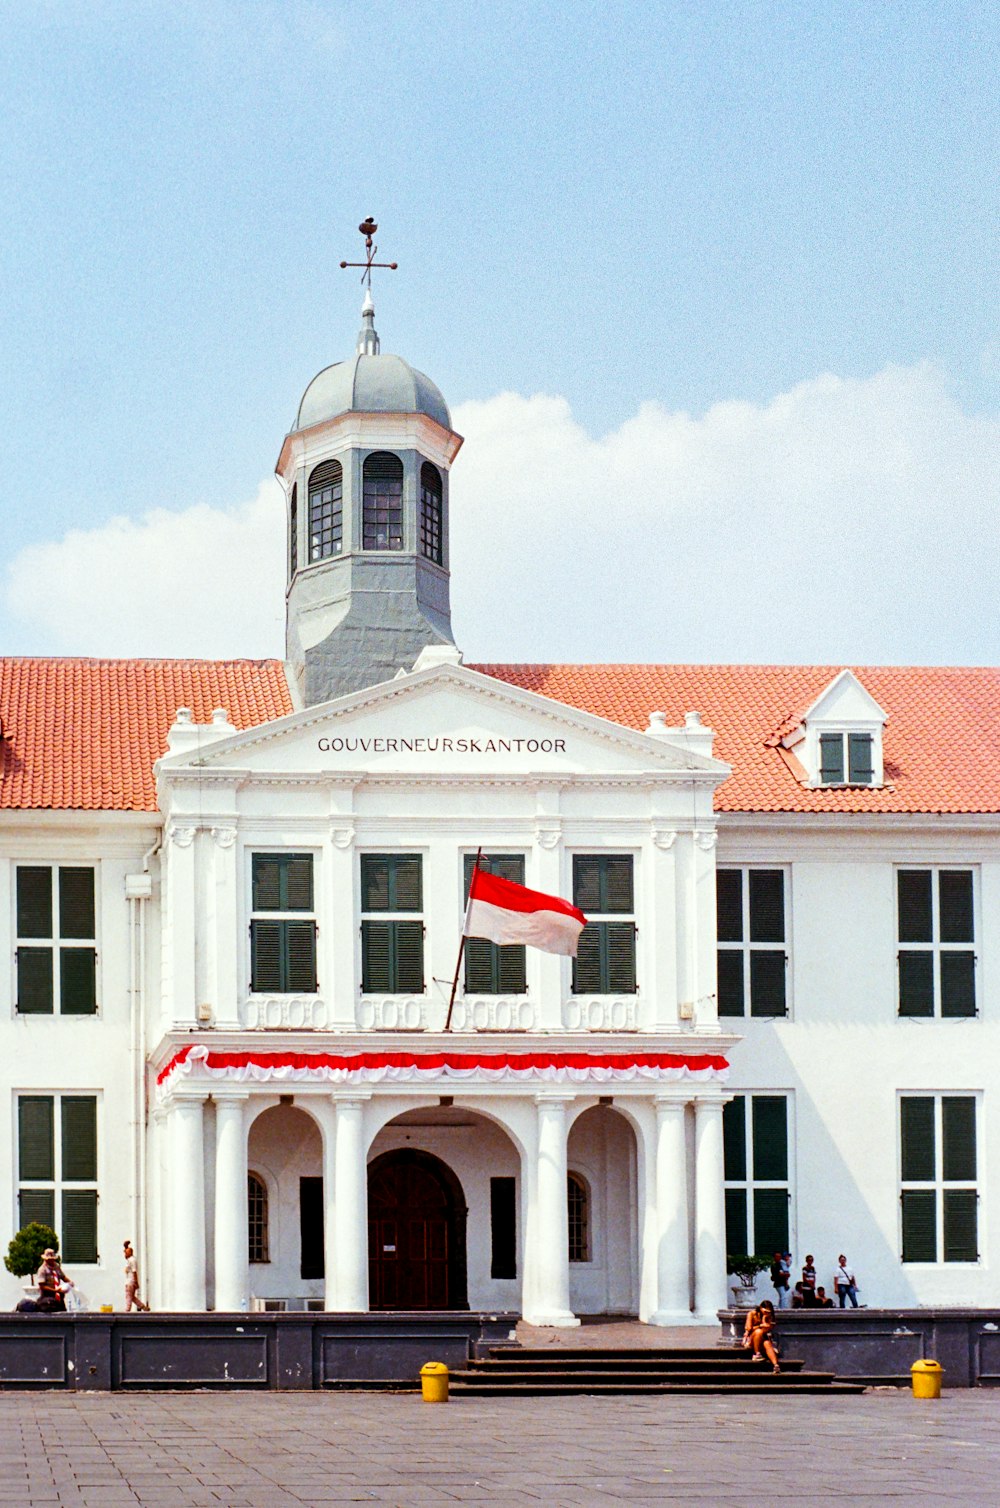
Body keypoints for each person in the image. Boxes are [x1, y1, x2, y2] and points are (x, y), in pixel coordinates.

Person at [747, 1299, 781, 1374]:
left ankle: (776, 1365)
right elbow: (749, 1328)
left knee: (767, 1344)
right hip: (752, 1337)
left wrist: (764, 1320)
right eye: (765, 1311)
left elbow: (767, 1329)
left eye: (768, 1312)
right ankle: (757, 1354)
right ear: (760, 1308)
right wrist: (760, 1325)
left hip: (763, 1338)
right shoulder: (752, 1314)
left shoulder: (769, 1317)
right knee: (759, 1332)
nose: (766, 1313)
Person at [35, 1249, 72, 1313]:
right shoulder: (42, 1270)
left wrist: (70, 1282)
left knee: (62, 1312)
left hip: (59, 1295)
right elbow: (42, 1286)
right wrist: (55, 1290)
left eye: (52, 1259)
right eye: (49, 1259)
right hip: (48, 1295)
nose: (51, 1261)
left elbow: (62, 1277)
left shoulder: (56, 1266)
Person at [123, 1241, 150, 1313]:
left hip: (130, 1281)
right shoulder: (130, 1259)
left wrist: (136, 1281)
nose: (125, 1254)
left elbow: (134, 1272)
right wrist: (126, 1246)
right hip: (130, 1281)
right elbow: (126, 1254)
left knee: (128, 1296)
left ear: (130, 1253)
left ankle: (127, 1310)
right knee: (131, 1296)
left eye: (126, 1252)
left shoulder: (132, 1261)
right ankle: (143, 1307)